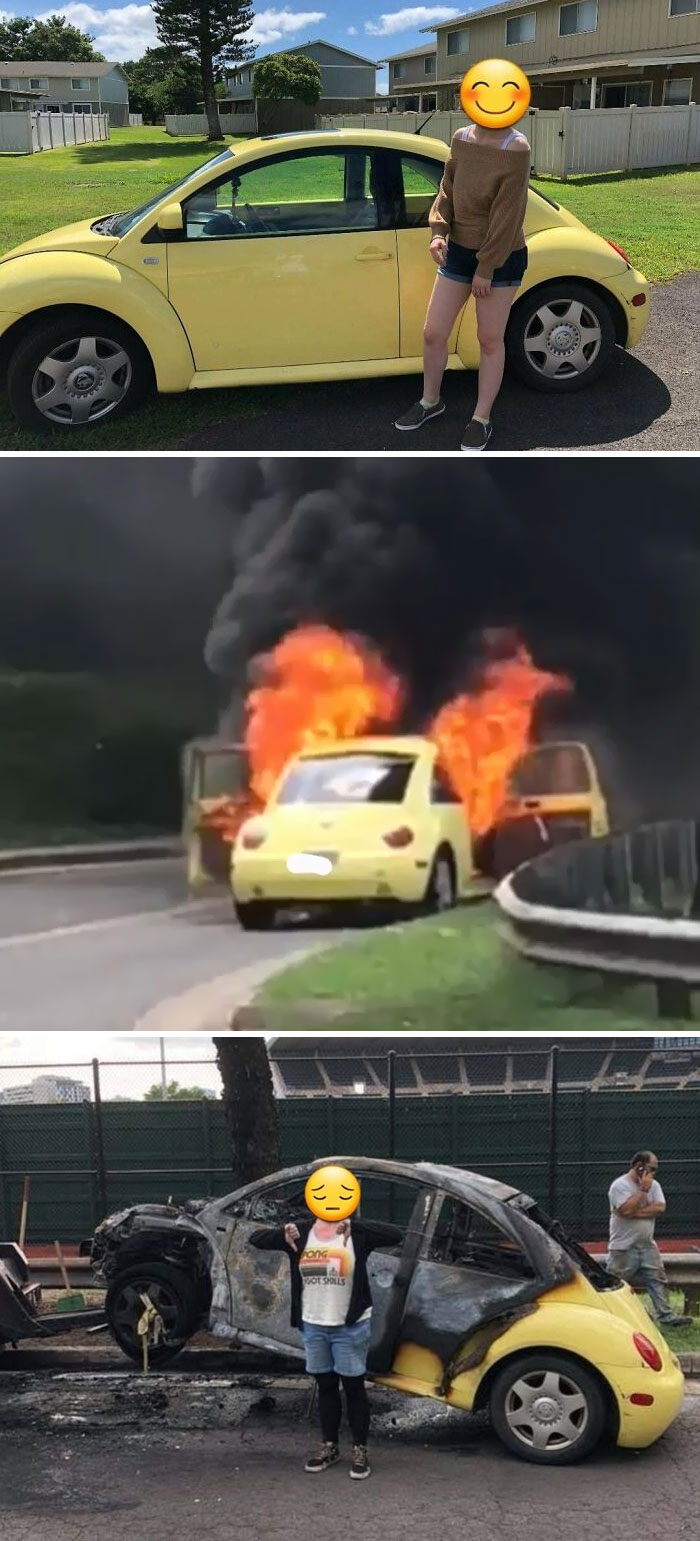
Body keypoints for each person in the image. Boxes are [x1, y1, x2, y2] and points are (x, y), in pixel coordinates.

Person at [395, 119, 530, 452]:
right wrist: (438, 232)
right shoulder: (462, 138)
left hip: (500, 256)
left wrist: (486, 268)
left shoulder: (515, 147)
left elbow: (508, 214)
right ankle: (431, 401)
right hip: (458, 252)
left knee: (488, 338)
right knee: (433, 332)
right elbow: (447, 188)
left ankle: (481, 418)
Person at [249, 1207, 403, 1478]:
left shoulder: (356, 1233)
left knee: (354, 1387)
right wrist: (282, 1232)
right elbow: (256, 1238)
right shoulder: (302, 1232)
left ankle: (359, 1449)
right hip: (314, 1323)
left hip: (350, 1326)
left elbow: (395, 1234)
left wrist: (356, 1225)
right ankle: (330, 1446)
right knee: (326, 1386)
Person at [606, 1150, 691, 1328]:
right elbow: (625, 1210)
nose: (653, 1173)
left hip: (646, 1244)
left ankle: (666, 1316)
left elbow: (659, 1208)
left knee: (657, 1279)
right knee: (615, 1283)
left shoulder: (654, 1185)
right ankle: (610, 1315)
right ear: (639, 1167)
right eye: (651, 1169)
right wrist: (643, 1191)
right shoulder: (619, 1186)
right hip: (623, 1246)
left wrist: (634, 1211)